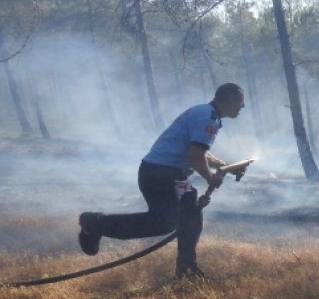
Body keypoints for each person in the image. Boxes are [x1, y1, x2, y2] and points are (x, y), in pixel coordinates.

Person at [78, 83, 247, 279]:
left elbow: (199, 151)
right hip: (161, 175)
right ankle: (96, 223)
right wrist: (211, 178)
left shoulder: (207, 113)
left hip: (164, 173)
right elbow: (195, 155)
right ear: (226, 99)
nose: (242, 106)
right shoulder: (207, 118)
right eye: (240, 101)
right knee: (163, 223)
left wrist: (224, 166)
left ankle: (187, 270)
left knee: (191, 213)